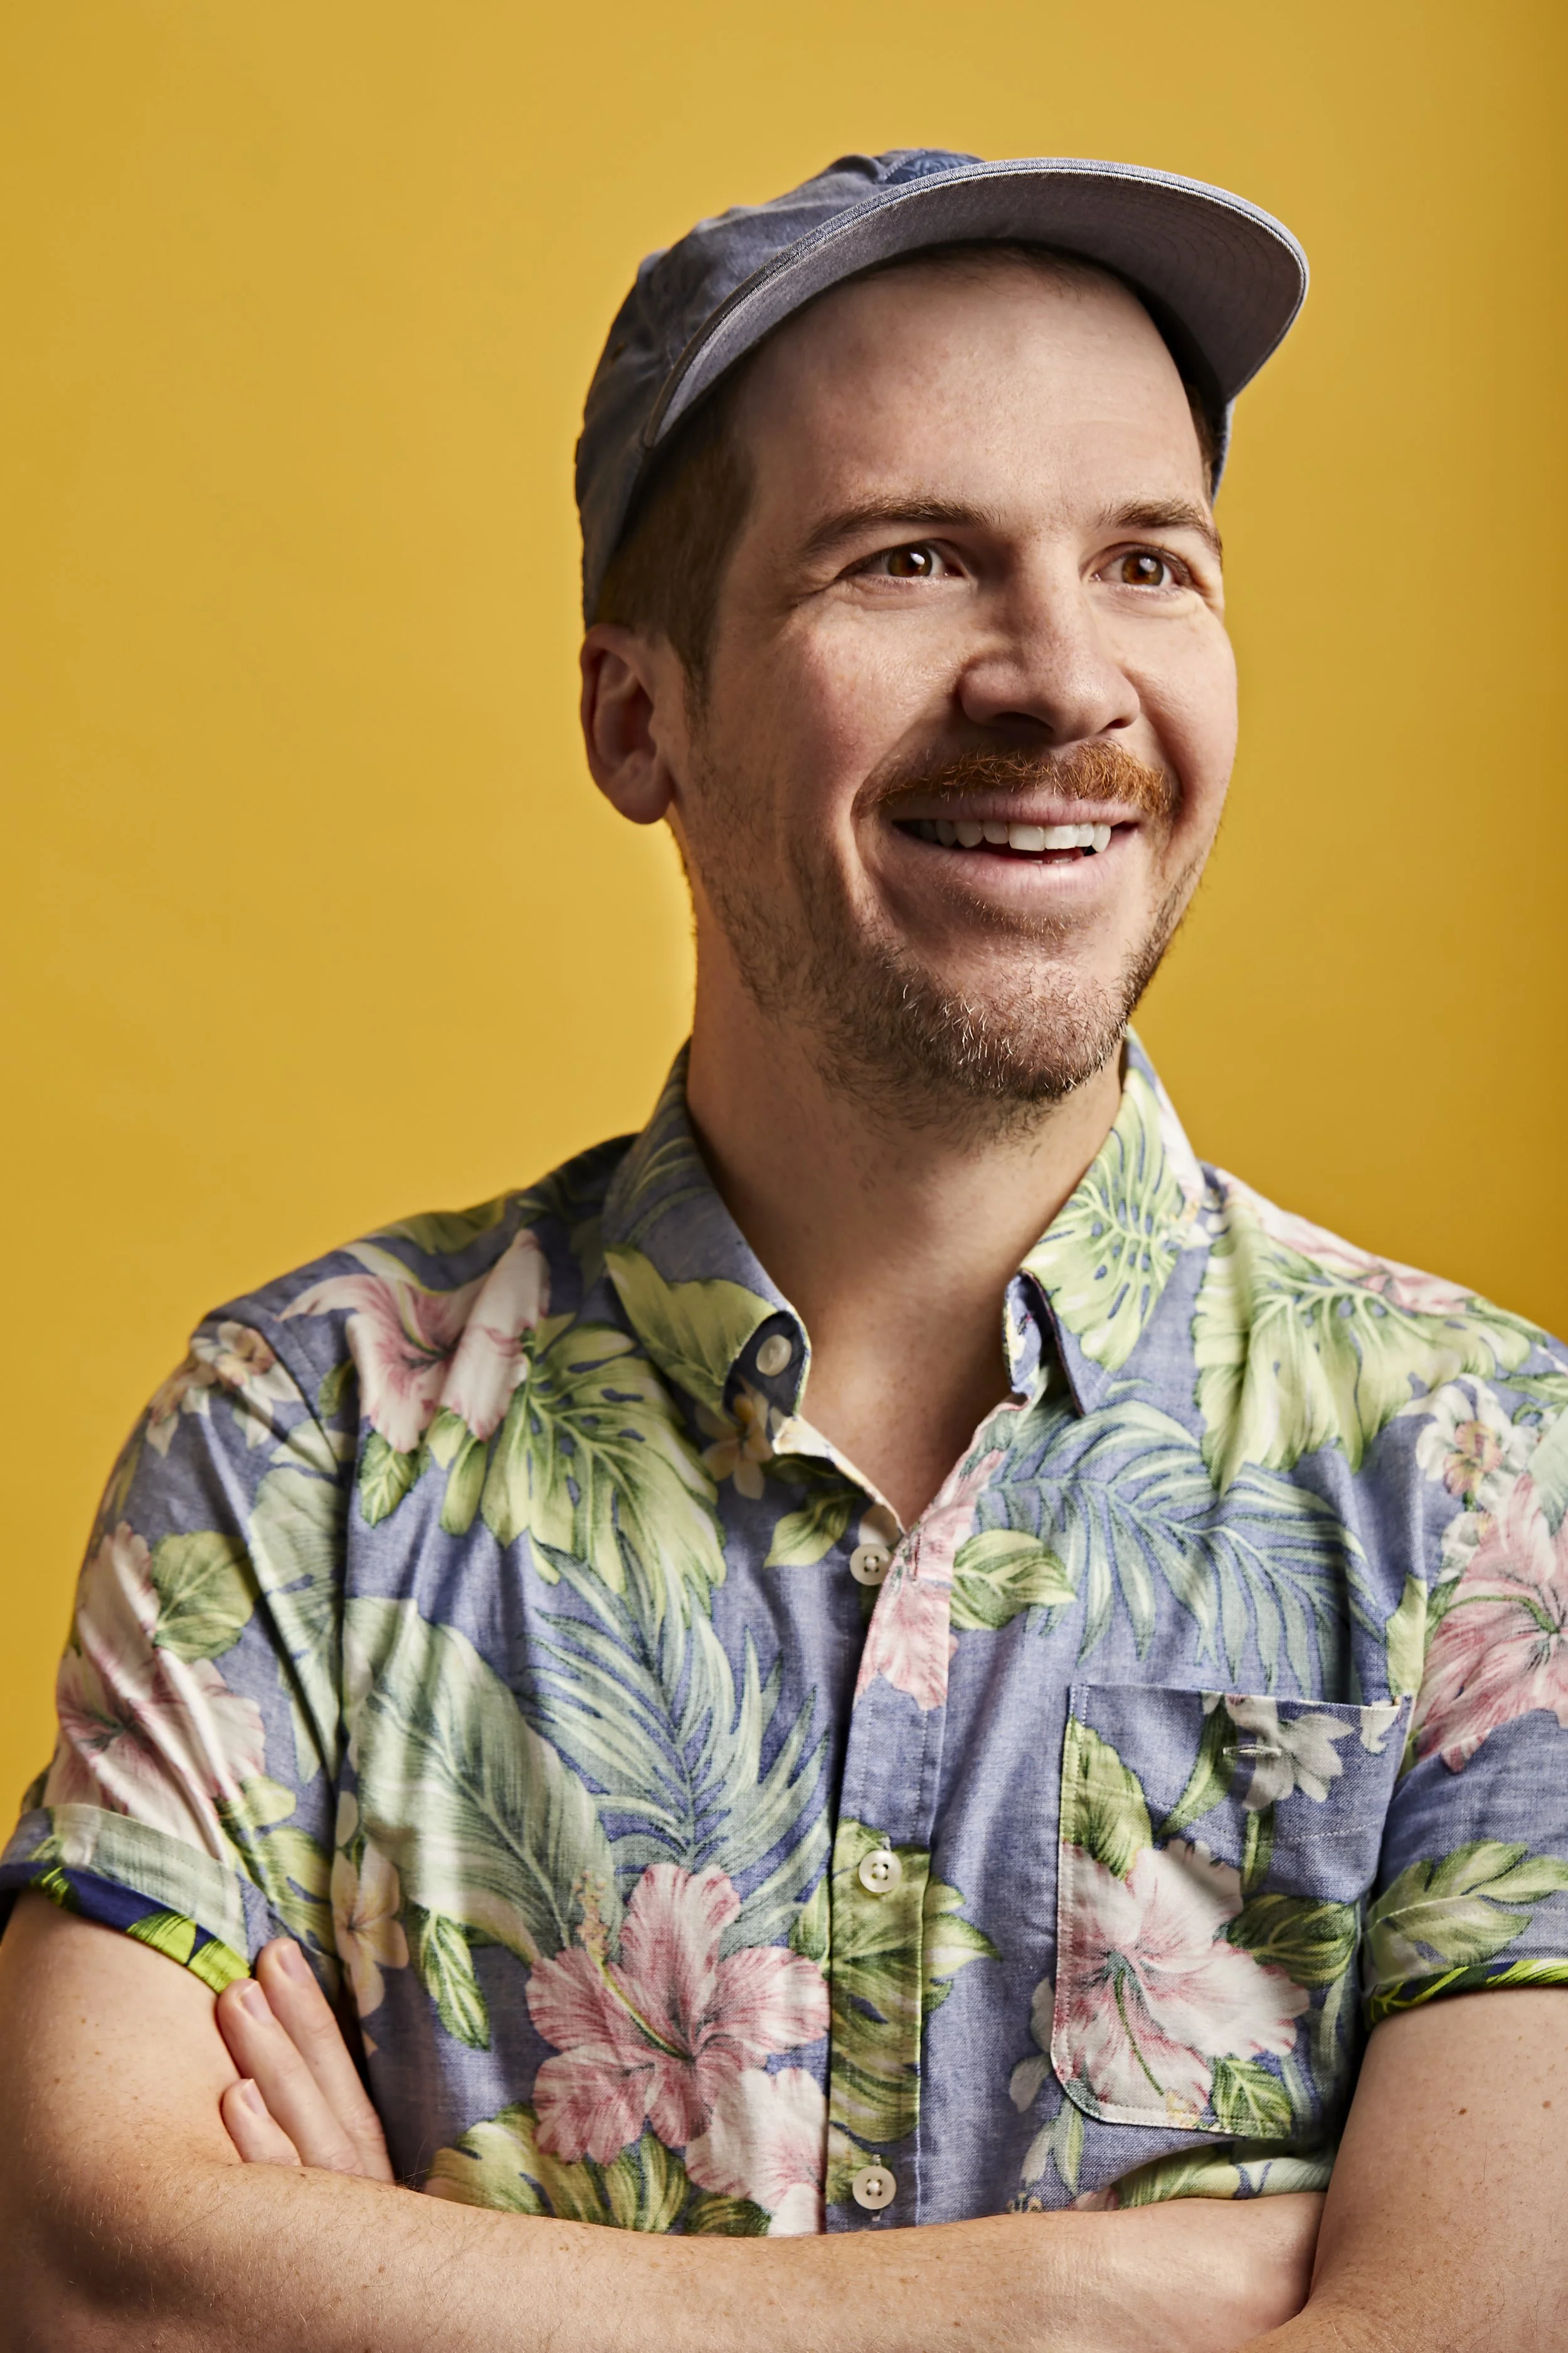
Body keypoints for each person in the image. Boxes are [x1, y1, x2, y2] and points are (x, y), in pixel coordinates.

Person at [1, 147, 1564, 2353]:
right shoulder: (296, 1446)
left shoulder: (1495, 1480)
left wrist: (404, 2295)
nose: (1059, 678)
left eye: (1146, 562)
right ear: (639, 715)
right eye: (910, 559)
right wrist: (1072, 2304)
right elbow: (89, 2277)